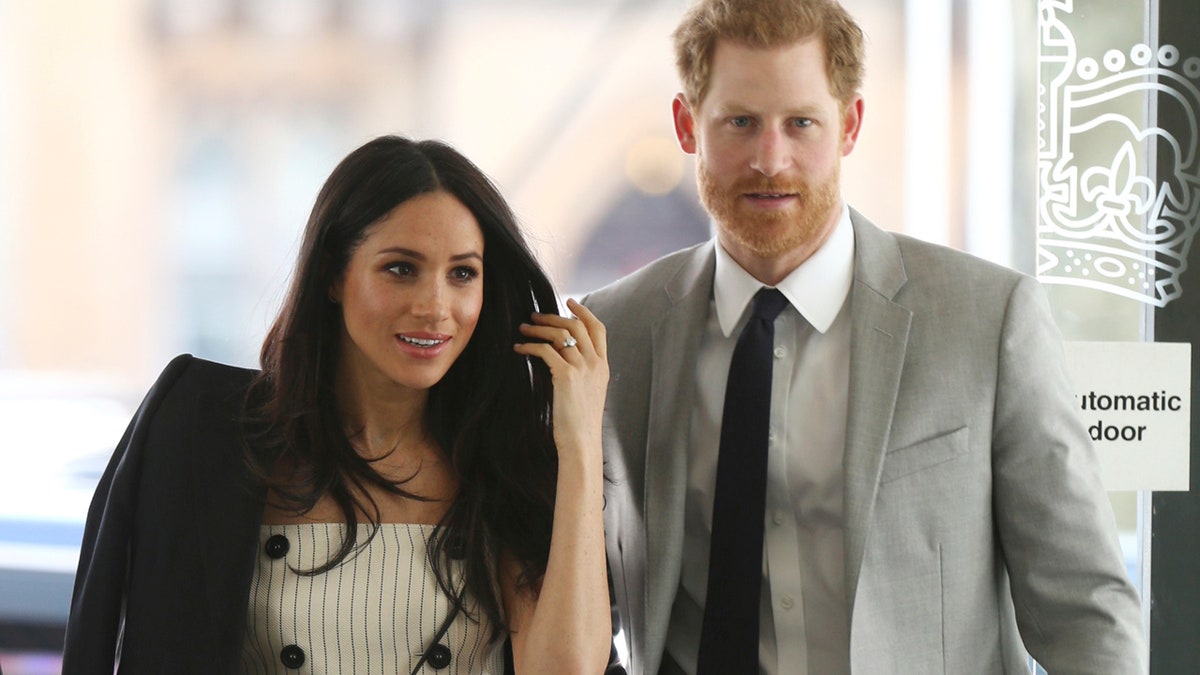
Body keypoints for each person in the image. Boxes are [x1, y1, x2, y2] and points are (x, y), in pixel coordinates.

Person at [581, 0, 1146, 673]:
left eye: (801, 123)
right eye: (740, 122)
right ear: (685, 124)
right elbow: (571, 610)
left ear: (849, 125)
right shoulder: (615, 332)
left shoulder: (990, 320)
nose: (770, 158)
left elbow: (1085, 612)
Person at [63, 135, 613, 674]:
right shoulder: (209, 435)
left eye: (462, 273)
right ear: (333, 274)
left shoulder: (507, 465)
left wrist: (581, 440)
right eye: (401, 268)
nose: (435, 306)